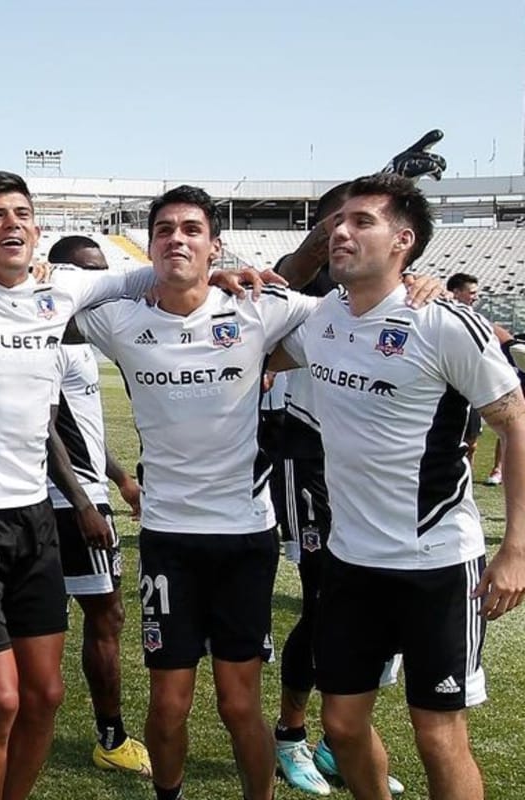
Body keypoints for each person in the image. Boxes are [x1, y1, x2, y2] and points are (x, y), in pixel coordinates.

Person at [0, 172, 269, 800]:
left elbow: (148, 275)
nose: (11, 224)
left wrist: (218, 279)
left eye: (22, 214)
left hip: (35, 516)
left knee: (46, 695)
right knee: (2, 698)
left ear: (37, 231)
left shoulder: (60, 288)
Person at [70, 185, 325, 800]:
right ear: (150, 244)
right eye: (163, 230)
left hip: (245, 537)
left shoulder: (258, 309)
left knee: (240, 706)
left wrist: (419, 287)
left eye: (191, 229)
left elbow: (351, 307)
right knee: (169, 705)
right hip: (168, 541)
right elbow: (53, 294)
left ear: (215, 243)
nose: (176, 238)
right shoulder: (119, 320)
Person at [277, 173, 525, 800]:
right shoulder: (321, 317)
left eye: (362, 221)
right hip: (350, 562)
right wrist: (226, 283)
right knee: (341, 722)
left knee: (437, 733)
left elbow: (515, 421)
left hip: (437, 562)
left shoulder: (442, 323)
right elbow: (259, 337)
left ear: (403, 241)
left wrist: (516, 548)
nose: (341, 230)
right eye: (336, 221)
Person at [42, 235, 150, 775]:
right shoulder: (48, 340)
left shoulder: (80, 338)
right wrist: (84, 501)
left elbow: (80, 429)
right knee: (106, 615)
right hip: (68, 499)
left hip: (83, 491)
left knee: (43, 616)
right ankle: (111, 739)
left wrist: (121, 478)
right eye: (89, 272)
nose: (101, 282)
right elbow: (44, 429)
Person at [447, 273, 488, 473]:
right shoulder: (439, 318)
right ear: (456, 292)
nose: (475, 297)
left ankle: (467, 485)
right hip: (445, 393)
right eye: (471, 292)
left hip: (469, 392)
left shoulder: (476, 320)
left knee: (471, 444)